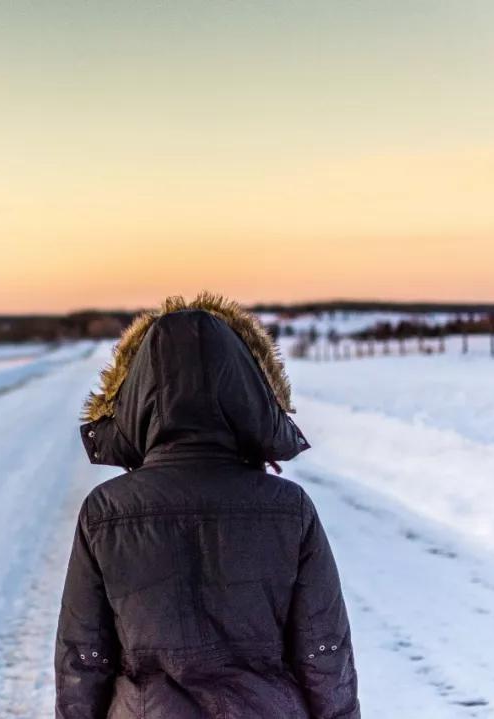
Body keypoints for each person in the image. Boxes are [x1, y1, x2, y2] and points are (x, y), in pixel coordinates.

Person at [56, 293, 359, 718]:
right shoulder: (289, 508)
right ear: (248, 394)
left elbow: (84, 657)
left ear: (136, 400)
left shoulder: (106, 512)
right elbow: (324, 651)